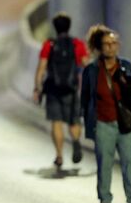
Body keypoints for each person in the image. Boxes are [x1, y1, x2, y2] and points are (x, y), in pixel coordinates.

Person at [81, 25, 131, 203]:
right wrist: (86, 120)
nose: (111, 47)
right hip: (102, 123)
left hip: (125, 123)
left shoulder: (126, 66)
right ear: (99, 47)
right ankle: (105, 202)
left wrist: (127, 84)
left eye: (114, 43)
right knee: (104, 163)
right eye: (106, 44)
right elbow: (85, 98)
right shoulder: (91, 70)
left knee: (130, 162)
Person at [32, 13, 90, 168]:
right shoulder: (77, 44)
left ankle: (59, 156)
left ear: (55, 27)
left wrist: (37, 87)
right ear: (69, 26)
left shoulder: (49, 45)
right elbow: (86, 64)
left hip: (53, 89)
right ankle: (76, 141)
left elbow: (41, 68)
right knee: (74, 120)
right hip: (72, 88)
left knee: (56, 122)